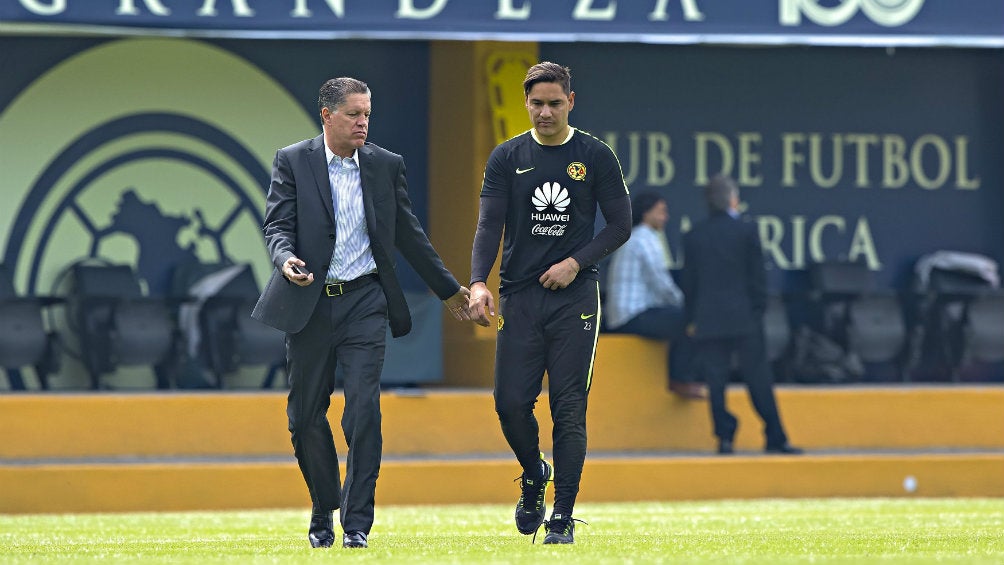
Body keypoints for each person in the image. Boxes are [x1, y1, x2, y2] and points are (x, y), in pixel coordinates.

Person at [251, 77, 473, 549]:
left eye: (367, 113)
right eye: (353, 114)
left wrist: (451, 292)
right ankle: (323, 504)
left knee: (364, 410)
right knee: (305, 416)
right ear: (327, 115)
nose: (363, 122)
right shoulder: (293, 160)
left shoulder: (385, 166)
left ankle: (356, 524)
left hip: (365, 302)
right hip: (309, 302)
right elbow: (277, 225)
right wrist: (285, 258)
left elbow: (410, 236)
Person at [468, 62, 632, 544]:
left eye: (554, 104)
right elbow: (488, 226)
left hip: (576, 299)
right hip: (519, 296)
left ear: (571, 103)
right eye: (537, 104)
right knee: (509, 403)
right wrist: (479, 281)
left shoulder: (595, 155)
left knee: (568, 406)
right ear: (526, 104)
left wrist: (575, 263)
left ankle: (562, 515)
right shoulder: (506, 156)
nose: (545, 112)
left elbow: (619, 226)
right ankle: (534, 472)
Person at [679, 174, 802, 456]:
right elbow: (758, 279)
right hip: (744, 317)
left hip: (708, 317)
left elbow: (690, 283)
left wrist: (691, 319)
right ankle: (775, 436)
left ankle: (724, 437)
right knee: (758, 379)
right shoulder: (747, 231)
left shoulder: (694, 235)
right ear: (733, 199)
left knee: (716, 381)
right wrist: (756, 310)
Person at [603, 191, 703, 399]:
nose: (665, 217)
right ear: (647, 213)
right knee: (689, 319)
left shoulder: (634, 237)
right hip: (631, 315)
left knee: (678, 317)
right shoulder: (646, 238)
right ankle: (681, 379)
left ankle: (681, 377)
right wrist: (686, 306)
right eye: (661, 211)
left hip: (624, 315)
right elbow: (662, 284)